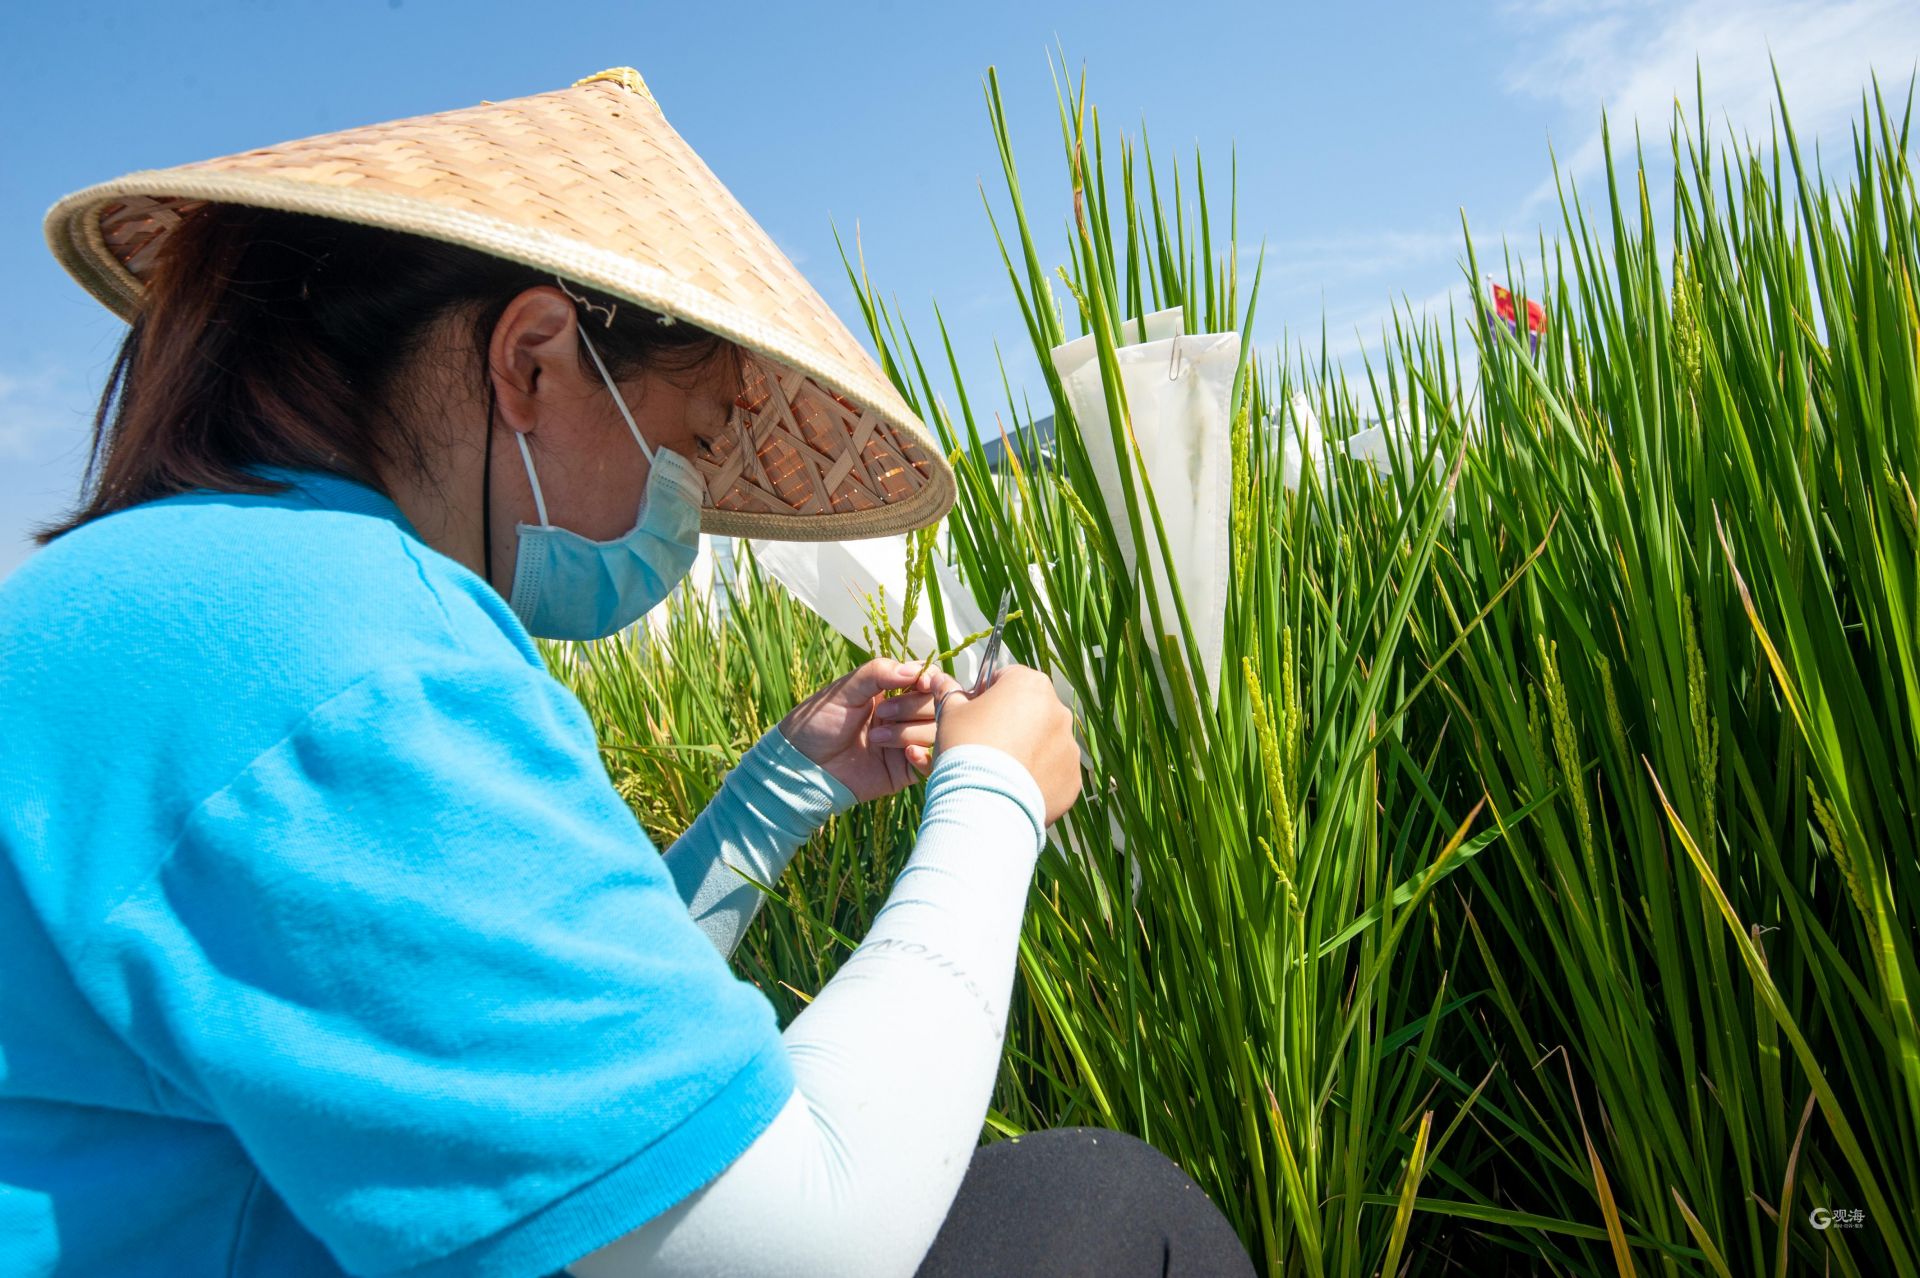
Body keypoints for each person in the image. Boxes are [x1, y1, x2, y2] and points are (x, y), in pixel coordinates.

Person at [2, 68, 1259, 1277]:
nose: (692, 508)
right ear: (534, 360)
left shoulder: (172, 601)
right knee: (1106, 1211)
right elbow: (803, 1236)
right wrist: (993, 798)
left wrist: (772, 802)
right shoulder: (348, 654)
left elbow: (525, 1061)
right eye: (688, 443)